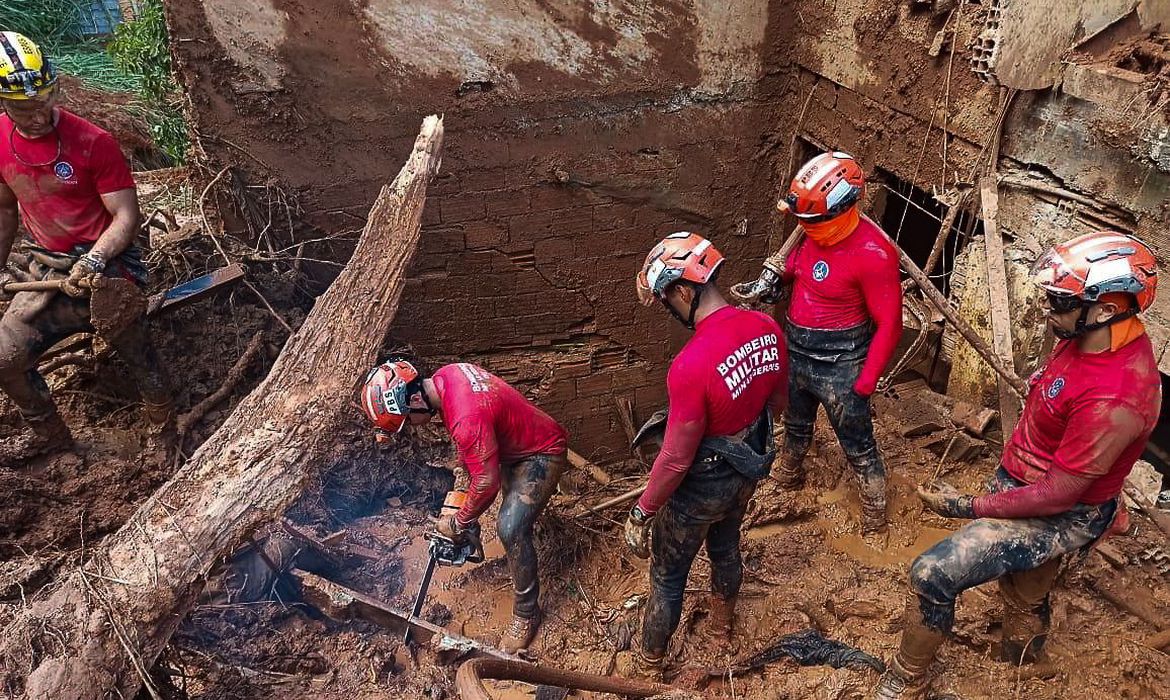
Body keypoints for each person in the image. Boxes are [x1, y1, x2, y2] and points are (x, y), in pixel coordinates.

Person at [872, 231, 1161, 699]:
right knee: (1025, 586)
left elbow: (1059, 494)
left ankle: (906, 678)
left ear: (1106, 308)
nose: (1048, 309)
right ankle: (1021, 659)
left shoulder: (1117, 398)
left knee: (933, 572)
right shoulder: (1089, 334)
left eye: (1058, 301)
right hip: (1028, 479)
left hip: (1060, 509)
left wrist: (967, 505)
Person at [622, 231, 788, 677]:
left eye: (665, 300)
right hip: (746, 469)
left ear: (682, 291)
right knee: (726, 547)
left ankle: (649, 663)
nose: (667, 309)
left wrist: (642, 512)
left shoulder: (690, 366)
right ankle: (721, 630)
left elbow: (676, 459)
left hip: (702, 486)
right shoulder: (767, 328)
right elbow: (778, 403)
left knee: (668, 577)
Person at [0, 31, 170, 458]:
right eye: (24, 107)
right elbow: (4, 212)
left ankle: (163, 423)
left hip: (107, 262)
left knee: (135, 348)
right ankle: (52, 439)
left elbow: (126, 218)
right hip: (46, 269)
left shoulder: (93, 142)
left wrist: (94, 259)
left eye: (44, 100)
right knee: (5, 360)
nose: (38, 115)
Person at [736, 151, 902, 538]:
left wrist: (866, 381)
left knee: (857, 443)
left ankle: (874, 515)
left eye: (813, 220)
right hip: (797, 351)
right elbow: (797, 267)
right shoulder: (811, 233)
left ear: (843, 208)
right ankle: (788, 476)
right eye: (803, 221)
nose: (805, 227)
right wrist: (772, 284)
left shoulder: (874, 255)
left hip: (842, 362)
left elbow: (891, 324)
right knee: (795, 425)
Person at [358, 359, 568, 653]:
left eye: (408, 420)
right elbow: (471, 449)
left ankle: (526, 614)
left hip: (541, 452)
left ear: (415, 398)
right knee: (504, 515)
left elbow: (486, 483)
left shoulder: (465, 418)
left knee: (510, 528)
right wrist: (460, 498)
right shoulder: (447, 376)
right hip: (512, 445)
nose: (413, 427)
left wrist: (460, 522)